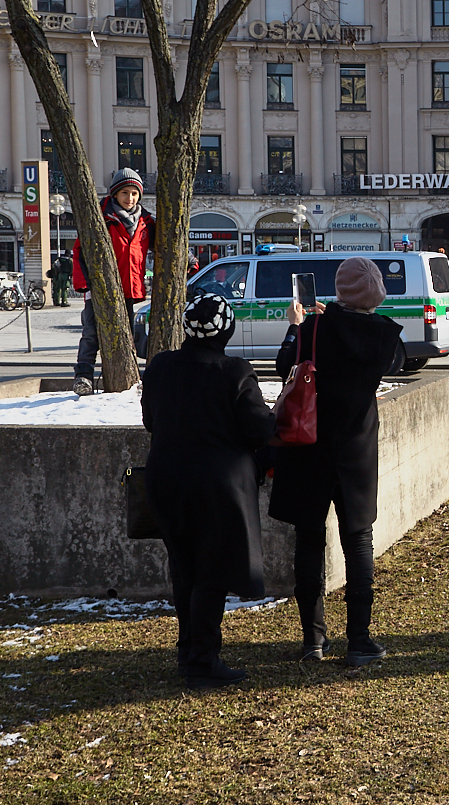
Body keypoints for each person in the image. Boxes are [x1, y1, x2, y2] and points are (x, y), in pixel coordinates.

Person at [273, 257, 405, 665]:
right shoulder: (386, 336)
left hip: (309, 447)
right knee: (358, 541)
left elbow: (284, 369)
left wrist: (296, 326)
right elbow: (383, 359)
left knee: (309, 540)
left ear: (340, 291)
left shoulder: (312, 327)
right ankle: (360, 640)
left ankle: (313, 639)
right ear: (377, 293)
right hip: (356, 450)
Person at [141, 292, 275, 689]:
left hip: (165, 480)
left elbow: (151, 421)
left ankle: (189, 651)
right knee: (212, 572)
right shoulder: (234, 371)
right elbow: (259, 429)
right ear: (227, 330)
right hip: (218, 488)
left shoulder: (161, 366)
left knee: (183, 568)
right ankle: (203, 660)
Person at [71, 168, 157, 394]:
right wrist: (85, 284)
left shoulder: (146, 222)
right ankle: (84, 375)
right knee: (91, 332)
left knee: (125, 333)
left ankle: (126, 374)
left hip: (128, 288)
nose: (130, 199)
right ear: (115, 195)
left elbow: (165, 245)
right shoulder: (101, 218)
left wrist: (189, 259)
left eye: (134, 194)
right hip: (100, 288)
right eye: (125, 193)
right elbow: (80, 251)